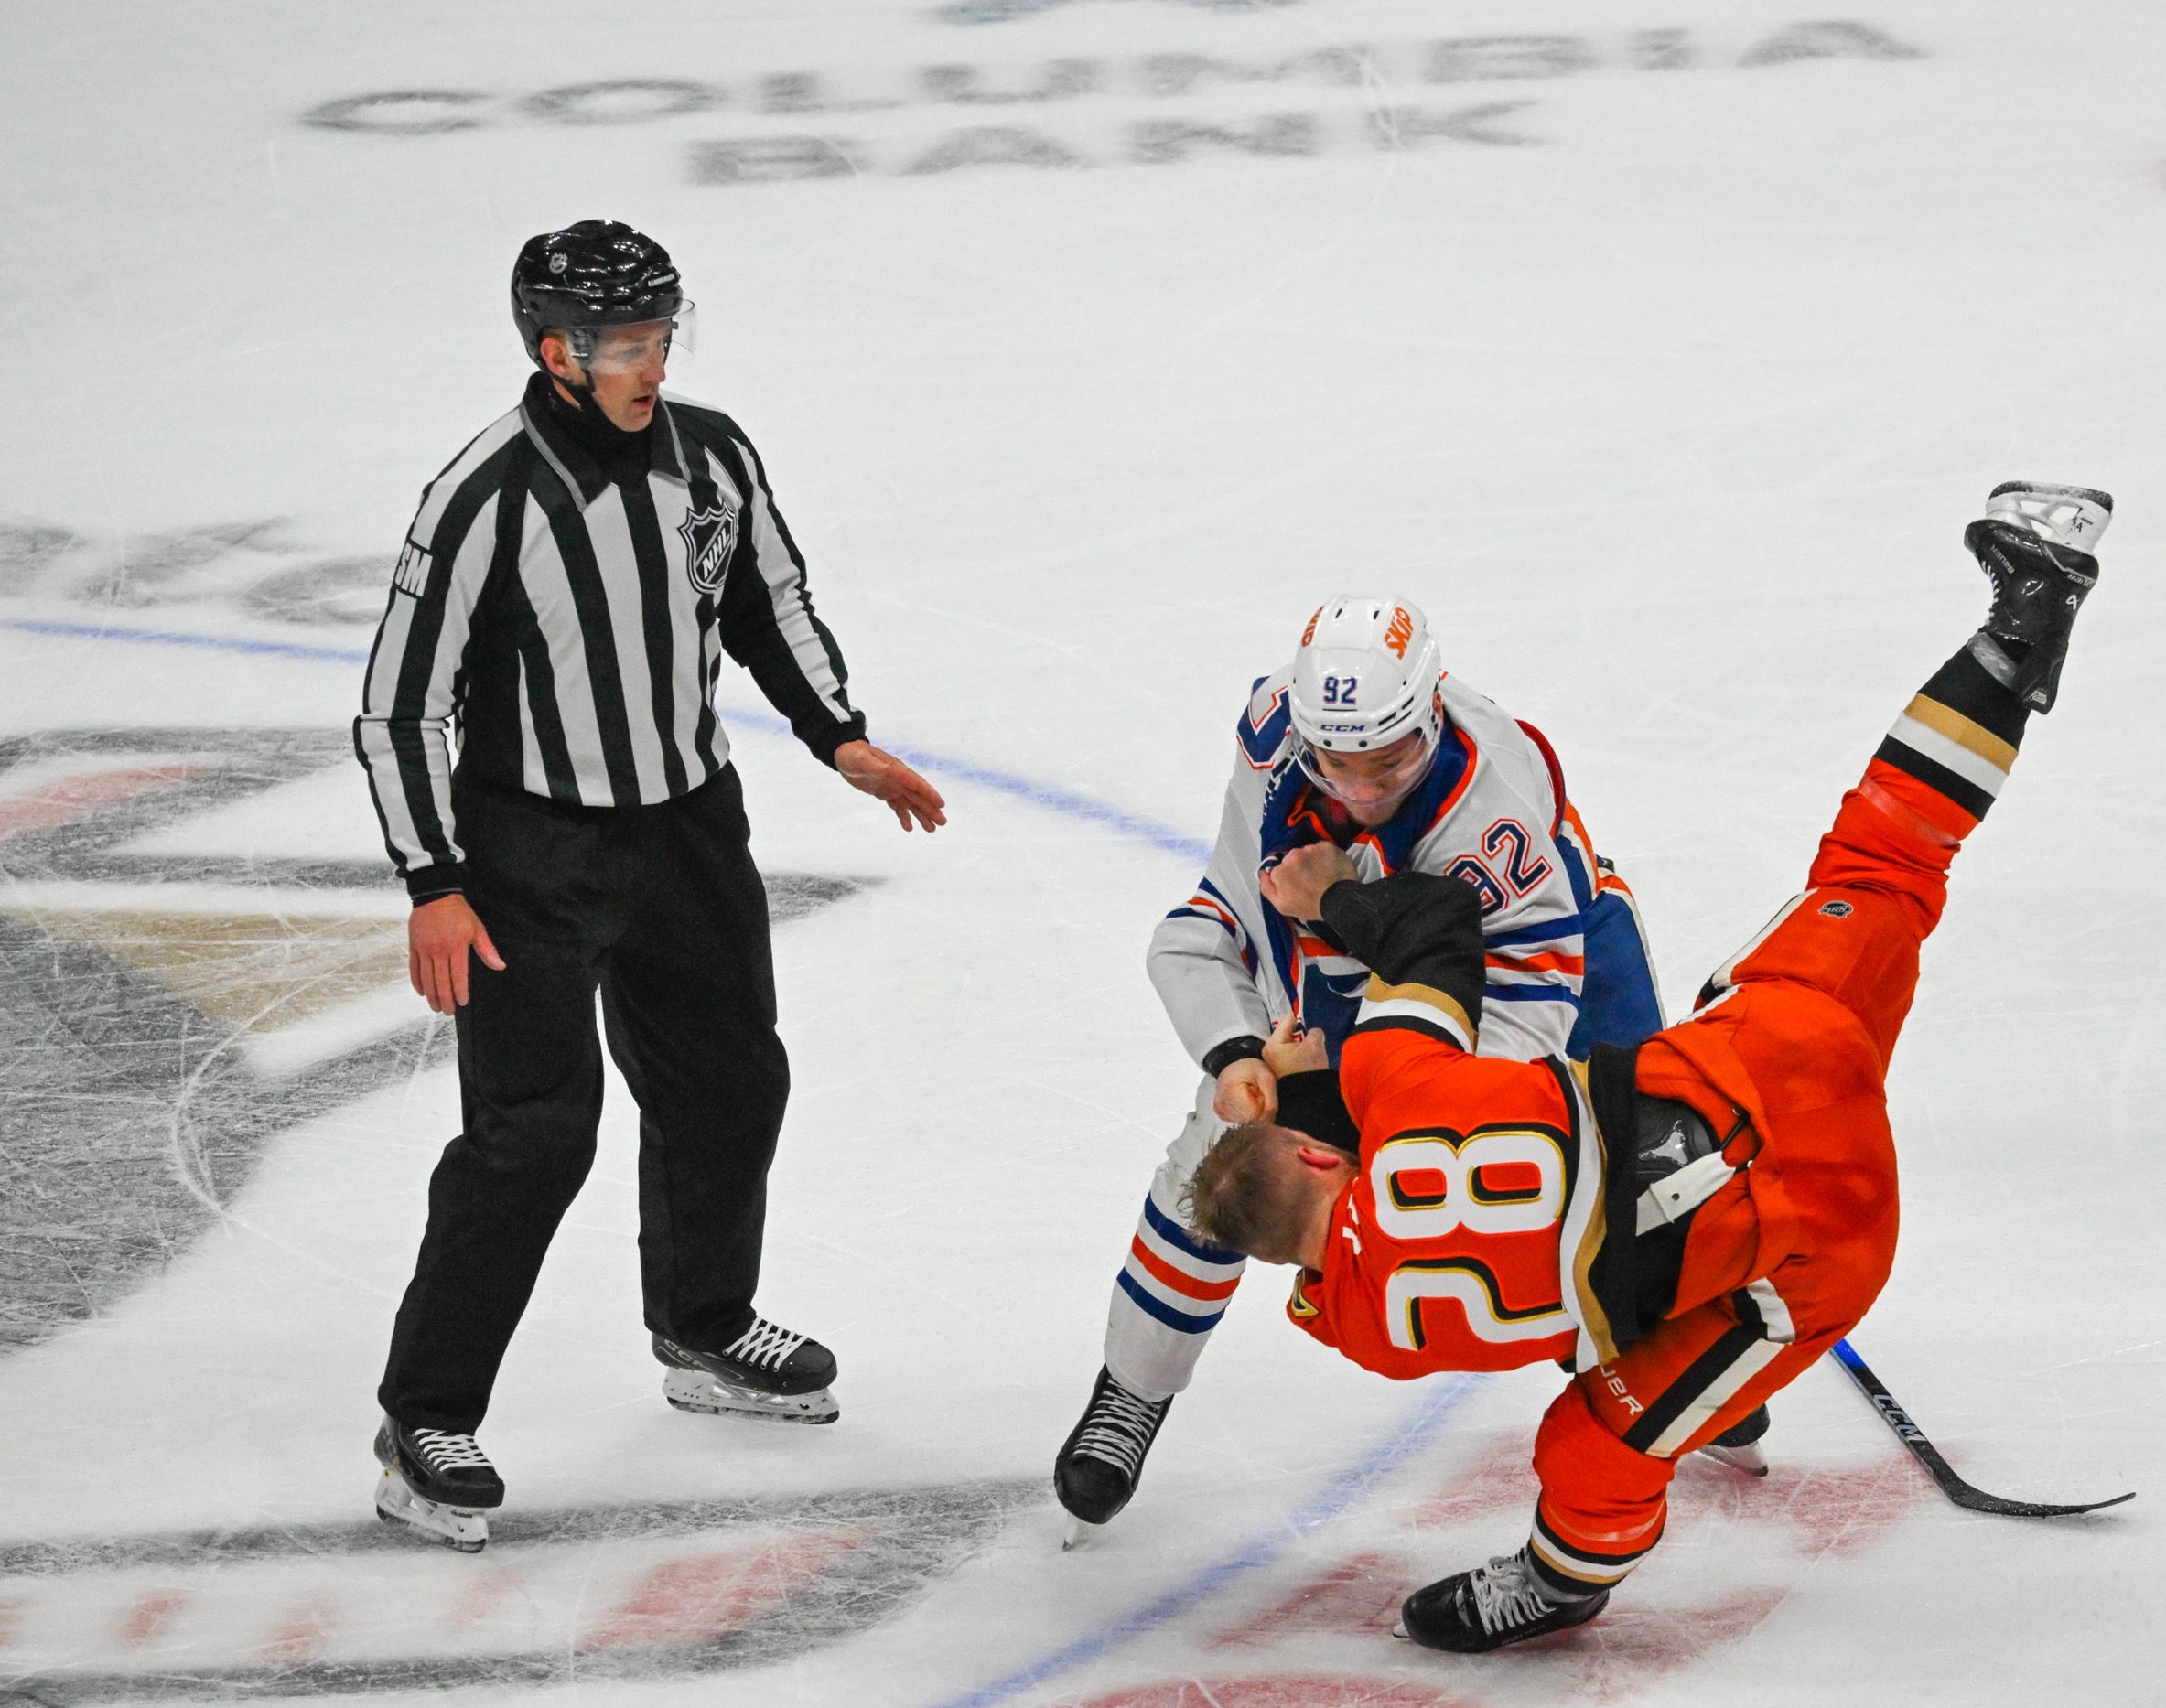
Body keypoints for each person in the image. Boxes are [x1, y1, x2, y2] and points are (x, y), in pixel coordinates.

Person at [1180, 482, 2107, 1652]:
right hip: (1772, 1061)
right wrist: (1340, 912)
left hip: (1812, 1248)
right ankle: (2017, 637)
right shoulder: (1397, 1083)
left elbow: (1468, 1265)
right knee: (1879, 858)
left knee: (1594, 1439)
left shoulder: (1351, 1322)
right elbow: (1434, 940)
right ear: (1321, 1142)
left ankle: (1564, 1582)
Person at [352, 220, 947, 1552]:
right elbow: (399, 709)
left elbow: (766, 600)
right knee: (533, 1134)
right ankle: (424, 1415)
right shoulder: (485, 493)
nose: (649, 362)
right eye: (624, 341)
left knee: (731, 1076)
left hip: (686, 825)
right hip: (528, 857)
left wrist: (838, 731)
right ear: (553, 350)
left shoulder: (713, 453)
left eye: (663, 333)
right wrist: (433, 881)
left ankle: (704, 1320)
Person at [1051, 596, 1663, 1529]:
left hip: (1542, 968)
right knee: (1218, 1160)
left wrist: (1359, 1093)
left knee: (1631, 1184)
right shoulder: (1270, 738)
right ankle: (1135, 1385)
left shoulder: (1489, 819)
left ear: (1428, 718)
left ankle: (1680, 1373)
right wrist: (1242, 1054)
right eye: (1340, 762)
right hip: (1365, 967)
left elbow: (1509, 1044)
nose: (1364, 785)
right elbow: (1211, 920)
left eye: (1390, 760)